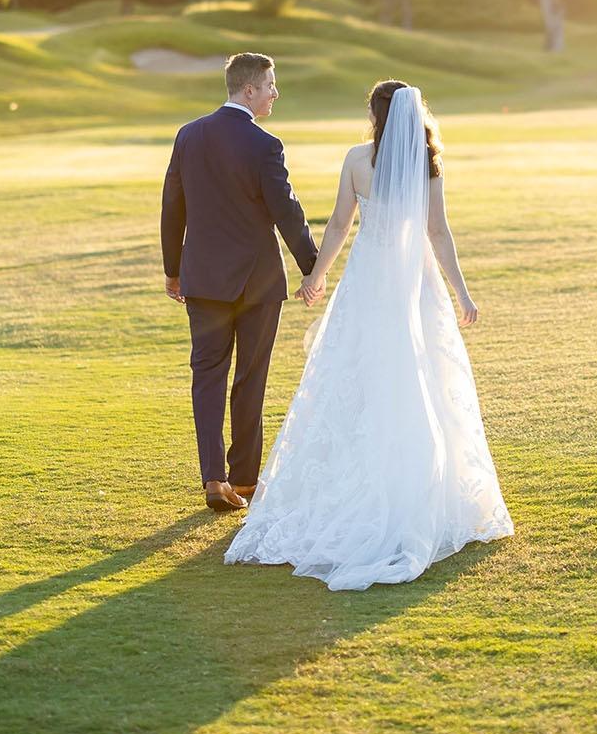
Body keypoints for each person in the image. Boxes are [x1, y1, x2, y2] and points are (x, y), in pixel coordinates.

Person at [225, 79, 513, 589]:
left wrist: (317, 277)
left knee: (357, 373)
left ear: (376, 117)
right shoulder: (428, 164)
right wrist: (462, 295)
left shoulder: (359, 159)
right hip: (416, 282)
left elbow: (338, 225)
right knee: (421, 376)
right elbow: (438, 234)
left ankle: (354, 484)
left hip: (369, 277)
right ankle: (420, 488)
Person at [161, 52, 319, 513]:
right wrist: (311, 266)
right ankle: (245, 481)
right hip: (257, 284)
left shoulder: (188, 136)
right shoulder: (264, 144)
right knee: (250, 380)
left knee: (206, 378)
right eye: (270, 84)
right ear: (248, 89)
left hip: (203, 280)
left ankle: (214, 478)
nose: (275, 92)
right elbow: (286, 212)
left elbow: (173, 206)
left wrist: (174, 268)